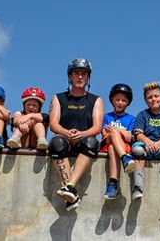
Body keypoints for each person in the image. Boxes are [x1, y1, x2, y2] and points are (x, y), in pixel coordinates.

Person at [49, 58, 105, 211]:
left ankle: (69, 187)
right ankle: (70, 189)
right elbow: (53, 124)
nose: (80, 77)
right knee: (56, 143)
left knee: (91, 142)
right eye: (77, 74)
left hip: (85, 138)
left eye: (84, 74)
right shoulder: (58, 98)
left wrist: (82, 134)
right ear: (70, 77)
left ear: (88, 78)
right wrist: (67, 132)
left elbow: (97, 127)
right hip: (64, 137)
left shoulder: (96, 100)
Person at [127, 82, 160, 200]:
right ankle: (137, 187)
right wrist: (148, 142)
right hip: (146, 146)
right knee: (136, 150)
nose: (153, 99)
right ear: (146, 101)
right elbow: (138, 134)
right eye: (149, 97)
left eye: (156, 96)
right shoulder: (142, 115)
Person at [101, 83, 136, 200]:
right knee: (113, 134)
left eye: (124, 100)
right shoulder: (106, 117)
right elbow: (105, 134)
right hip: (107, 144)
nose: (120, 103)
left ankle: (113, 184)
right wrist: (119, 131)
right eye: (117, 99)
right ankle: (125, 158)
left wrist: (115, 130)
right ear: (112, 100)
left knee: (113, 147)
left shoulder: (131, 118)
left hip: (122, 146)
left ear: (128, 103)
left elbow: (129, 137)